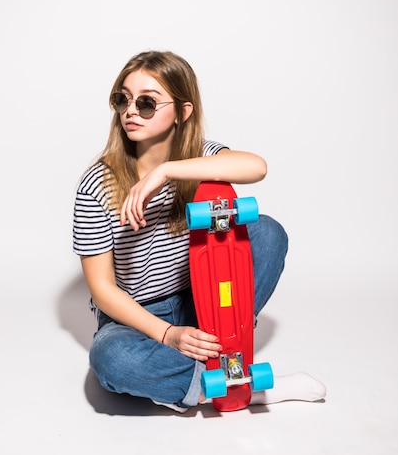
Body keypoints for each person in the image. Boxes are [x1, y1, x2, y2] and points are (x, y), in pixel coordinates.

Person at [73, 50, 326, 412]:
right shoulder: (97, 182)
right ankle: (237, 386)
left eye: (146, 102)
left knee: (268, 232)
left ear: (183, 111)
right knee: (110, 358)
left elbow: (256, 167)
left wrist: (166, 171)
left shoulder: (200, 158)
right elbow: (102, 289)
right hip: (135, 317)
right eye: (122, 99)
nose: (130, 110)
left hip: (201, 300)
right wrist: (167, 334)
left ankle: (218, 348)